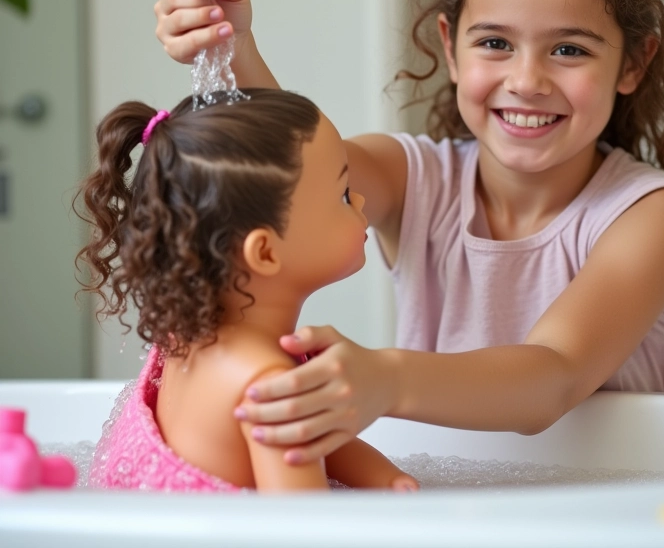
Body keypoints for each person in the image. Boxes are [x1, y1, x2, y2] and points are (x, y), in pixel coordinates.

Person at [153, 0, 664, 467]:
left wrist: (387, 378)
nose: (526, 81)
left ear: (634, 61)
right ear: (450, 46)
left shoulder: (654, 215)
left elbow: (553, 376)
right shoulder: (412, 177)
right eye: (495, 43)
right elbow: (297, 172)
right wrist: (231, 45)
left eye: (569, 49)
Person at [75, 88, 418, 492]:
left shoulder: (186, 335)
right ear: (266, 251)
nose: (359, 198)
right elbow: (305, 527)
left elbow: (319, 438)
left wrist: (387, 478)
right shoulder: (267, 381)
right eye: (343, 194)